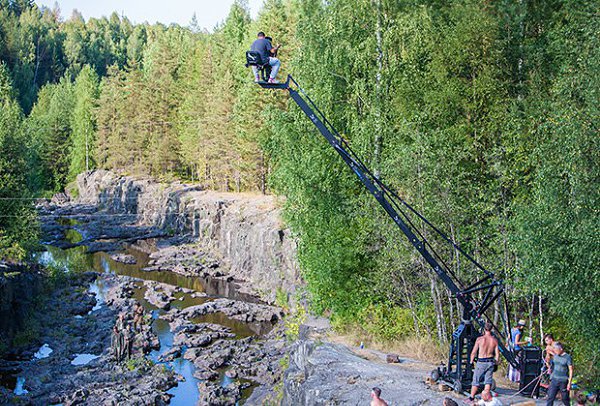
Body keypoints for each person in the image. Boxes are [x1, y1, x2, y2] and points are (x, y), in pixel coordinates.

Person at [468, 322, 500, 403]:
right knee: (488, 381)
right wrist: (496, 363)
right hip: (490, 361)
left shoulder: (480, 339)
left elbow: (473, 352)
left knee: (476, 380)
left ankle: (471, 397)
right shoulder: (494, 340)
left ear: (484, 329)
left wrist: (471, 362)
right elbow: (497, 354)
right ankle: (485, 398)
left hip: (481, 362)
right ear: (491, 329)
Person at [546, 342, 573, 406]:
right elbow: (550, 364)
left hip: (563, 380)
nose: (555, 351)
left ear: (561, 349)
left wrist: (569, 382)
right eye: (554, 350)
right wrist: (549, 366)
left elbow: (571, 370)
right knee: (550, 397)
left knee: (565, 398)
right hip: (554, 379)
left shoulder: (567, 357)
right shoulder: (555, 355)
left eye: (556, 350)